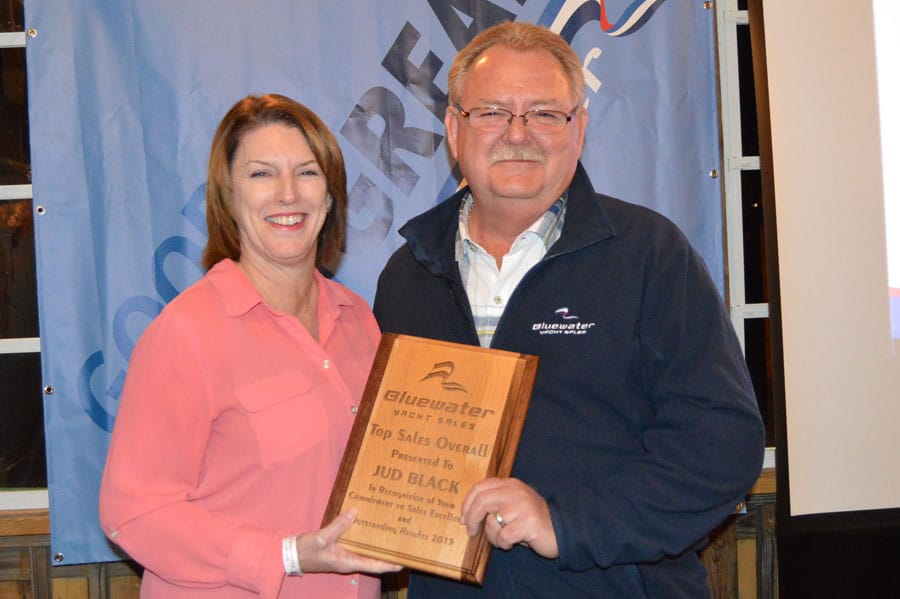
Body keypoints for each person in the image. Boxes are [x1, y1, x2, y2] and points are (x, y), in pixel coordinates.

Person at [373, 21, 765, 598]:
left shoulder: (649, 255)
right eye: (491, 112)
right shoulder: (408, 274)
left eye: (544, 113)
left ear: (578, 128)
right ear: (454, 129)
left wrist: (568, 523)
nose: (518, 133)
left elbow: (722, 444)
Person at [100, 93, 401, 598]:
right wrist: (286, 555)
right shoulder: (186, 333)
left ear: (330, 197)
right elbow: (133, 512)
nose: (288, 193)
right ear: (229, 197)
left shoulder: (358, 320)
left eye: (307, 173)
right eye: (262, 174)